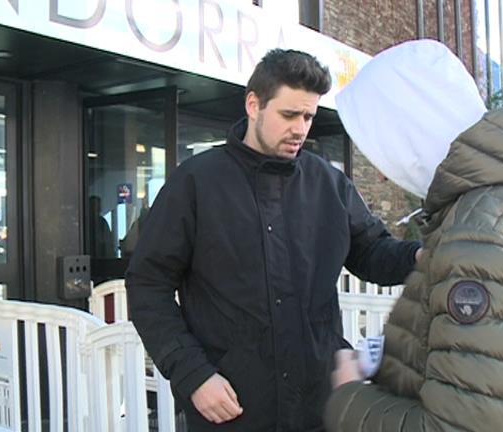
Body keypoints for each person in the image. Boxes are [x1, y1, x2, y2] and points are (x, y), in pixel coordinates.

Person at [125, 48, 421, 432]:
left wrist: (421, 256)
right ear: (253, 104)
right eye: (289, 115)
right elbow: (148, 285)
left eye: (309, 116)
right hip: (231, 407)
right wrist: (193, 375)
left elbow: (372, 253)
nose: (300, 128)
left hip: (320, 404)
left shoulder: (328, 183)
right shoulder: (195, 182)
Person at [325, 40, 503, 432]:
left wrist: (349, 397)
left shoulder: (481, 237)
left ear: (412, 132)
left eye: (382, 151)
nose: (380, 175)